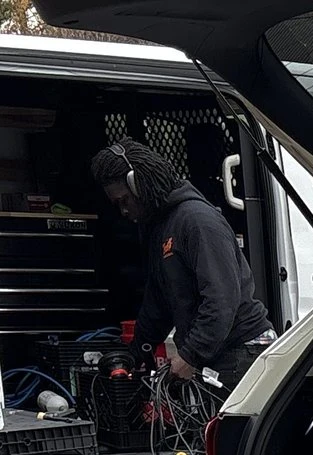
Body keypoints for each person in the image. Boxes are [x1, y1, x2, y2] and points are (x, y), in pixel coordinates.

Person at [88, 138, 274, 395]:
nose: (123, 211)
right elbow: (158, 301)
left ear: (141, 186)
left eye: (124, 200)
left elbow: (221, 300)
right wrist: (140, 351)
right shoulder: (159, 227)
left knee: (227, 434)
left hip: (241, 350)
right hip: (217, 350)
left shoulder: (197, 222)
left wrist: (191, 355)